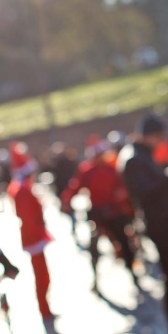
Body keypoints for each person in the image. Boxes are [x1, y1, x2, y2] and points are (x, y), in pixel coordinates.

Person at [117, 115, 168, 334]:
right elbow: (145, 191)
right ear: (149, 136)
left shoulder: (140, 155)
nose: (161, 141)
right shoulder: (133, 158)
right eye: (158, 137)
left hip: (164, 219)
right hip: (159, 223)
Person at [61, 135, 139, 293]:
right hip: (98, 215)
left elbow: (123, 188)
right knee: (94, 250)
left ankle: (133, 275)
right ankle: (96, 280)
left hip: (115, 213)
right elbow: (75, 187)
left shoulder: (112, 169)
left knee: (125, 244)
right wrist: (67, 201)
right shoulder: (87, 170)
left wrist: (126, 202)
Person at [6, 142, 56, 330]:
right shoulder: (23, 191)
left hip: (34, 237)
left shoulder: (22, 188)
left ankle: (46, 308)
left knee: (44, 275)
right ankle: (45, 310)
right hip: (33, 238)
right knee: (42, 276)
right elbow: (29, 217)